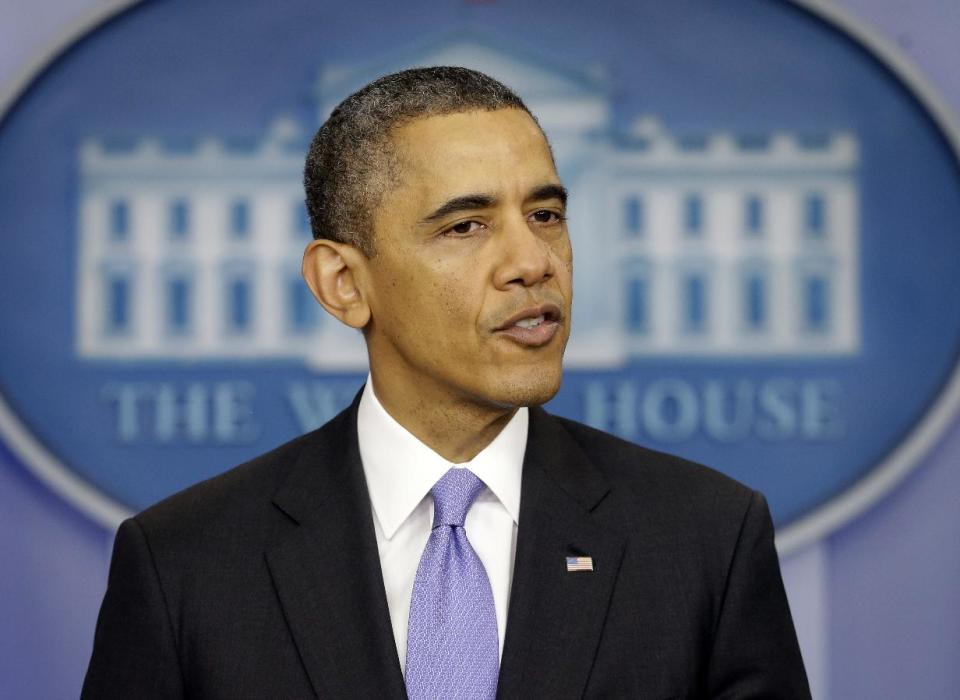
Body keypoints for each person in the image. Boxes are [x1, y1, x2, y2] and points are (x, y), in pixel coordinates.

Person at [82, 66, 810, 699]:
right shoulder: (184, 563)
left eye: (546, 214)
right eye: (465, 226)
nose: (533, 261)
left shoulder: (704, 538)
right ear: (342, 284)